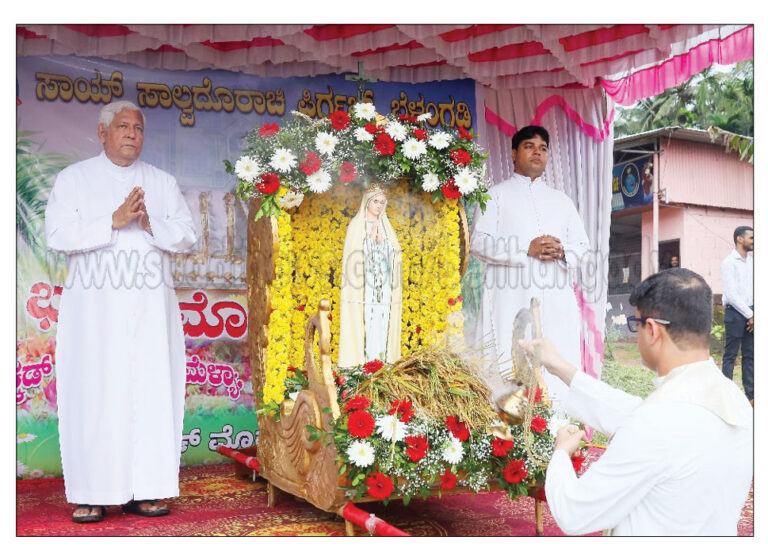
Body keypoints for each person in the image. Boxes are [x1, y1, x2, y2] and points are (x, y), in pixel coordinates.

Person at [45, 101, 197, 523]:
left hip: (151, 312)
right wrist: (111, 220)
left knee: (150, 392)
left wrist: (150, 224)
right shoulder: (74, 179)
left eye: (138, 128)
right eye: (123, 126)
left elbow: (187, 235)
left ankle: (146, 490)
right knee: (95, 392)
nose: (132, 134)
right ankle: (92, 491)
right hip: (95, 313)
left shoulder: (161, 182)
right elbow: (56, 234)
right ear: (101, 133)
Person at [521, 268, 753, 535]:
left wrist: (560, 454)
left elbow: (574, 513)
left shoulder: (656, 422)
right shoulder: (733, 399)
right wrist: (560, 366)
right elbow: (635, 411)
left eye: (636, 323)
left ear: (652, 329)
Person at [469, 126, 590, 410]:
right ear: (513, 154)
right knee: (509, 360)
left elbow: (583, 248)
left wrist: (562, 251)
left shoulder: (562, 201)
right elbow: (478, 243)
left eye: (543, 148)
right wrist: (526, 249)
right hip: (510, 298)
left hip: (556, 299)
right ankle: (507, 429)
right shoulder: (495, 196)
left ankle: (556, 425)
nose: (538, 152)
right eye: (529, 146)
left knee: (557, 358)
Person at [338, 185, 402, 367]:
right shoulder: (356, 227)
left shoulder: (386, 227)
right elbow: (354, 258)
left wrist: (382, 243)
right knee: (365, 324)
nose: (379, 206)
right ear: (367, 202)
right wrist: (369, 242)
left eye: (382, 202)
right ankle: (363, 365)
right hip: (363, 289)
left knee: (382, 325)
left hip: (383, 288)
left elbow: (395, 257)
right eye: (375, 201)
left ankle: (381, 363)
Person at [720, 226, 753, 405]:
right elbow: (731, 294)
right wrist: (751, 315)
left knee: (750, 355)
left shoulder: (753, 262)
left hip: (752, 313)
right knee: (730, 355)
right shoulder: (728, 262)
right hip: (735, 313)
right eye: (751, 237)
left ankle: (751, 396)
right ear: (739, 239)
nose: (754, 241)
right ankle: (726, 396)